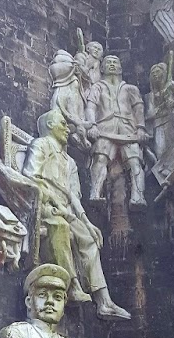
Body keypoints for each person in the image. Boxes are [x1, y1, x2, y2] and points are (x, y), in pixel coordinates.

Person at [21, 108, 131, 320]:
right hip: (44, 204)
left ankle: (104, 301)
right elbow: (30, 177)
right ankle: (71, 284)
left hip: (66, 209)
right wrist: (51, 200)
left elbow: (73, 197)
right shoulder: (41, 145)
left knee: (90, 238)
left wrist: (87, 223)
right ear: (50, 126)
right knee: (60, 227)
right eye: (62, 123)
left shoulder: (69, 162)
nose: (67, 128)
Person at [86, 53, 149, 206]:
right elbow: (91, 106)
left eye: (115, 62)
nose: (112, 64)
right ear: (102, 68)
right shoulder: (97, 87)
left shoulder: (130, 88)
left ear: (120, 68)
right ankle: (95, 192)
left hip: (128, 130)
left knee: (135, 161)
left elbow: (138, 108)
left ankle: (138, 197)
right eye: (108, 62)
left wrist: (141, 128)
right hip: (105, 128)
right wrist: (92, 125)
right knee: (100, 158)